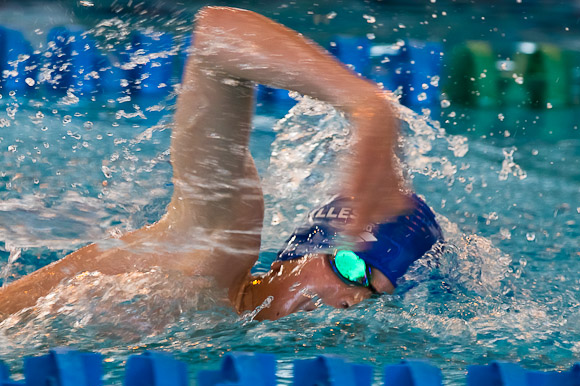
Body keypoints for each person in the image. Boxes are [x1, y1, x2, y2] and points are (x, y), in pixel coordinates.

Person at [0, 6, 442, 321]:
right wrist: (368, 106)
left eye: (372, 297)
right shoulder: (214, 254)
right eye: (352, 270)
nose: (350, 302)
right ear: (297, 251)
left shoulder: (242, 342)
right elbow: (216, 38)